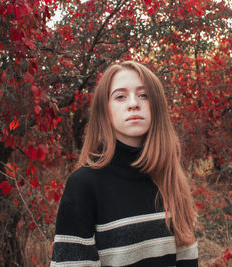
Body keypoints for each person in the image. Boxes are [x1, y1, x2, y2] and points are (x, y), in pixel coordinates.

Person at [51, 61, 198, 266]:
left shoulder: (170, 178)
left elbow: (188, 260)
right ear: (105, 112)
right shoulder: (84, 185)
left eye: (143, 95)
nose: (133, 103)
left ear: (156, 106)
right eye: (120, 96)